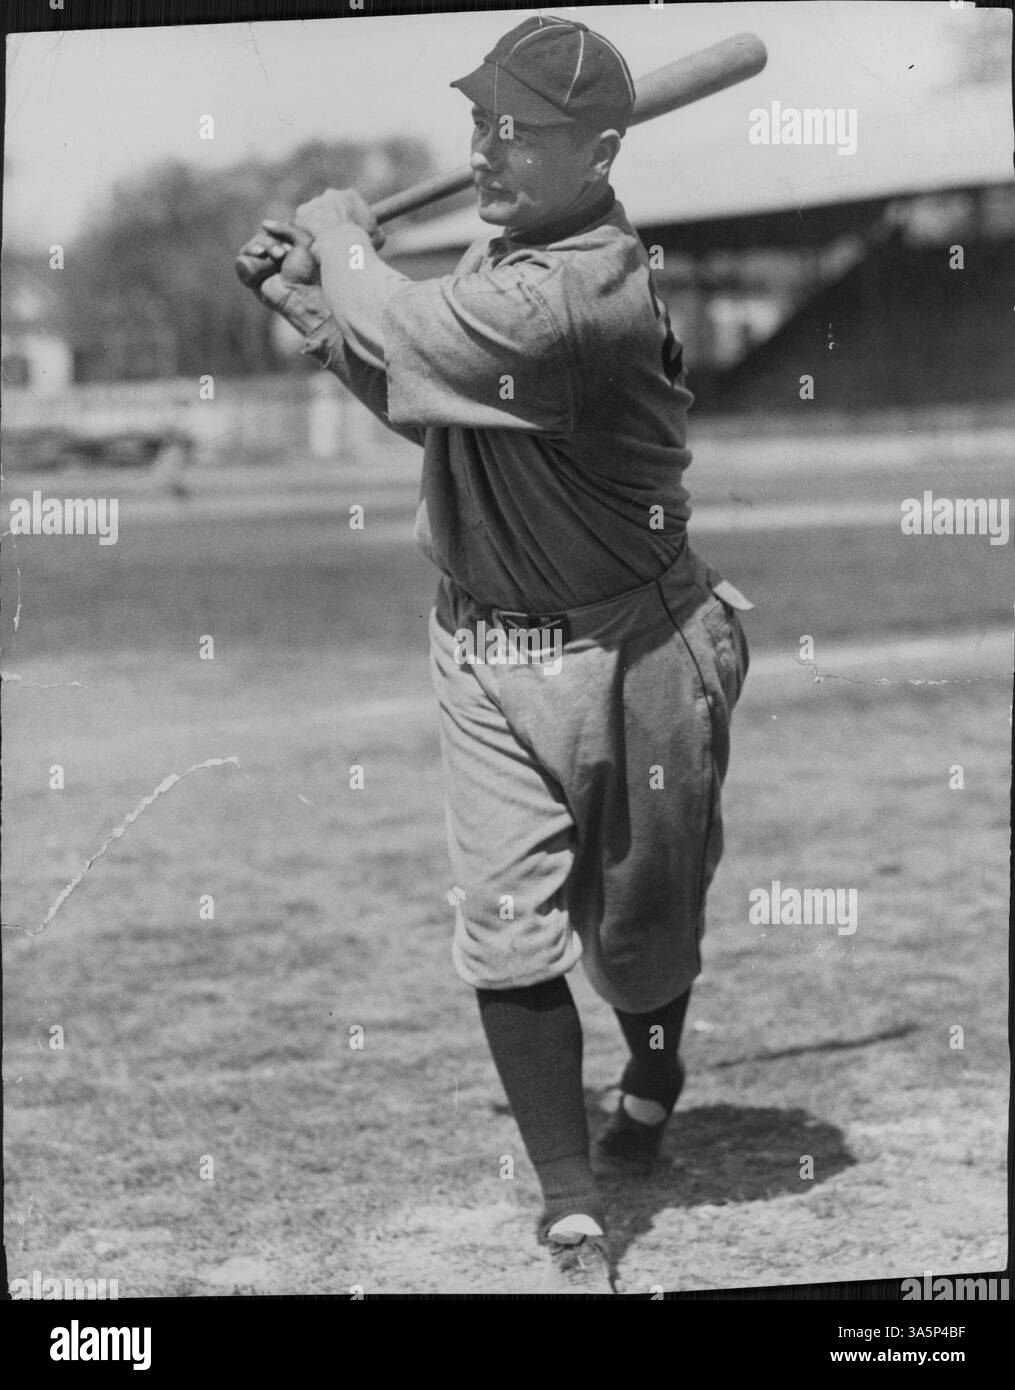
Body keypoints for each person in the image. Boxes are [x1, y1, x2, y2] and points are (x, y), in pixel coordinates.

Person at [240, 13, 751, 1294]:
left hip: (636, 648)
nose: (486, 146)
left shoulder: (581, 294)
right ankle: (573, 1209)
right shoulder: (505, 263)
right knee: (507, 926)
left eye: (519, 130)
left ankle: (651, 1068)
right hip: (485, 649)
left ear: (600, 153)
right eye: (480, 120)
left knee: (638, 937)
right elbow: (422, 400)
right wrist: (310, 297)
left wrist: (344, 238)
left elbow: (414, 339)